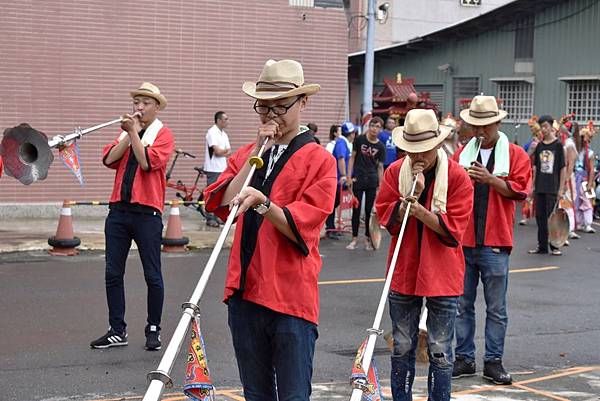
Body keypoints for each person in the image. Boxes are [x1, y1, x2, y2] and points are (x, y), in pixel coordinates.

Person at [203, 59, 337, 401]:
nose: (270, 114)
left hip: (291, 296)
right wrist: (256, 153)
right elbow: (223, 204)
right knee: (256, 393)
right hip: (245, 293)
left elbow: (304, 227)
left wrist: (265, 204)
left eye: (280, 106)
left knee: (293, 395)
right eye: (263, 106)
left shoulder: (320, 159)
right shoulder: (249, 152)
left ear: (303, 103)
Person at [375, 109, 473, 401]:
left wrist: (420, 210)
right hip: (404, 272)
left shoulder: (457, 177)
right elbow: (386, 218)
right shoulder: (395, 172)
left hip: (443, 275)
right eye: (411, 150)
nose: (417, 157)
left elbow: (453, 233)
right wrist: (407, 204)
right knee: (402, 346)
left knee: (440, 350)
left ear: (438, 145)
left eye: (424, 150)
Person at [453, 96, 532, 385]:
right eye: (475, 125)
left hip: (496, 240)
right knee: (462, 304)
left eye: (485, 125)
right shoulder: (462, 153)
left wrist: (491, 179)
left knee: (496, 308)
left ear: (498, 122)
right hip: (465, 239)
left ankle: (493, 361)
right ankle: (464, 357)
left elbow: (521, 191)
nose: (479, 131)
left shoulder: (515, 154)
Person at [91, 82, 174, 350]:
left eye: (145, 103)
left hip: (147, 213)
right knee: (112, 273)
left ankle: (153, 328)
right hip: (118, 211)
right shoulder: (127, 132)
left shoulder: (164, 134)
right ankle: (117, 329)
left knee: (153, 274)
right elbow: (108, 160)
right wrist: (129, 134)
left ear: (157, 107)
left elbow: (148, 163)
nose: (139, 108)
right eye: (136, 102)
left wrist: (134, 135)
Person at [528, 114, 566, 256]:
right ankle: (542, 246)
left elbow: (562, 168)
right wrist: (532, 186)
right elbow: (536, 168)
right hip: (540, 187)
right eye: (541, 127)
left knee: (552, 218)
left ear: (551, 127)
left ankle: (555, 246)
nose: (543, 129)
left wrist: (561, 188)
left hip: (552, 187)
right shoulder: (539, 146)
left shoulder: (558, 146)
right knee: (540, 217)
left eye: (546, 126)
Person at [347, 116, 386, 250]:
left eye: (378, 127)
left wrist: (381, 185)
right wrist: (348, 176)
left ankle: (368, 239)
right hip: (358, 178)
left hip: (372, 179)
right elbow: (352, 158)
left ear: (380, 129)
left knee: (369, 211)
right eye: (373, 125)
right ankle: (354, 239)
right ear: (369, 126)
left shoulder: (381, 146)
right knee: (356, 210)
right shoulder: (359, 140)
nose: (375, 129)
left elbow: (380, 167)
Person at [325, 122, 356, 239]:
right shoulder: (342, 142)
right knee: (333, 203)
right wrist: (344, 175)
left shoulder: (344, 142)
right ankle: (330, 228)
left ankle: (332, 227)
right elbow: (341, 159)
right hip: (338, 178)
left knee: (335, 203)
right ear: (351, 133)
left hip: (339, 178)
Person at [204, 111, 232, 227]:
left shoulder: (224, 134)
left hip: (222, 168)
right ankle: (210, 218)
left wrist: (223, 151)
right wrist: (223, 151)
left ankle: (217, 217)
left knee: (221, 193)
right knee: (212, 194)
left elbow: (228, 151)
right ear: (219, 120)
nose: (227, 121)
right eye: (225, 119)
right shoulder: (212, 132)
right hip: (213, 168)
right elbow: (217, 151)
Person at [573, 122, 596, 233]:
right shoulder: (576, 151)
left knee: (587, 201)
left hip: (585, 178)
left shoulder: (590, 153)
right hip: (575, 178)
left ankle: (587, 223)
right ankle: (578, 222)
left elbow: (591, 169)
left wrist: (590, 182)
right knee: (576, 201)